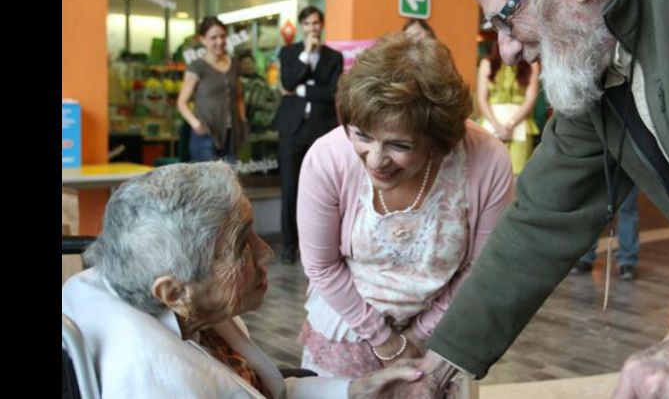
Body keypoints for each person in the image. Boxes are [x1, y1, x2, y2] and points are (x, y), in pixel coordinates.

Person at [392, 0, 669, 397]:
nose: (508, 51)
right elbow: (541, 218)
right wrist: (434, 373)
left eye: (507, 18)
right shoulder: (597, 61)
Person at [61, 162, 425, 399]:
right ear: (174, 292)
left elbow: (265, 390)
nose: (266, 252)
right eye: (242, 245)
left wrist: (357, 390)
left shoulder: (173, 306)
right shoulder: (162, 384)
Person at [295, 32, 514, 379]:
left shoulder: (487, 161)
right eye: (362, 135)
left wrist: (419, 335)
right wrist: (386, 341)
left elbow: (479, 269)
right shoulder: (328, 158)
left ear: (439, 140)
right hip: (349, 327)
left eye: (398, 144)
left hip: (444, 333)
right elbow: (321, 266)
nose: (376, 160)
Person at [271, 6, 343, 264]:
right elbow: (288, 82)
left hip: (320, 129)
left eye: (317, 23)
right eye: (308, 23)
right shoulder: (290, 53)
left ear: (321, 26)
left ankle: (316, 245)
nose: (313, 28)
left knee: (321, 188)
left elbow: (332, 92)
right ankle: (289, 246)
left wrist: (302, 91)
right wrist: (306, 56)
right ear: (301, 26)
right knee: (290, 187)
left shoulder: (333, 57)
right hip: (292, 128)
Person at [177, 16, 249, 163]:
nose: (219, 42)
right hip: (206, 134)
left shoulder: (234, 64)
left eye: (223, 36)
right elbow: (182, 102)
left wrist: (243, 120)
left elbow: (239, 96)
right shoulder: (197, 67)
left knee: (230, 181)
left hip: (232, 135)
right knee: (207, 183)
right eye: (213, 37)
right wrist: (196, 124)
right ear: (203, 40)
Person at [476, 41, 541, 184]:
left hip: (519, 127)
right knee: (486, 175)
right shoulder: (487, 63)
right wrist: (497, 126)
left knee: (516, 176)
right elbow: (481, 98)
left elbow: (530, 100)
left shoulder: (532, 64)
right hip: (490, 126)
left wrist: (510, 125)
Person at [572, 185, 641, 280]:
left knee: (628, 207)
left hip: (630, 171)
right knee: (592, 205)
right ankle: (585, 256)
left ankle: (627, 261)